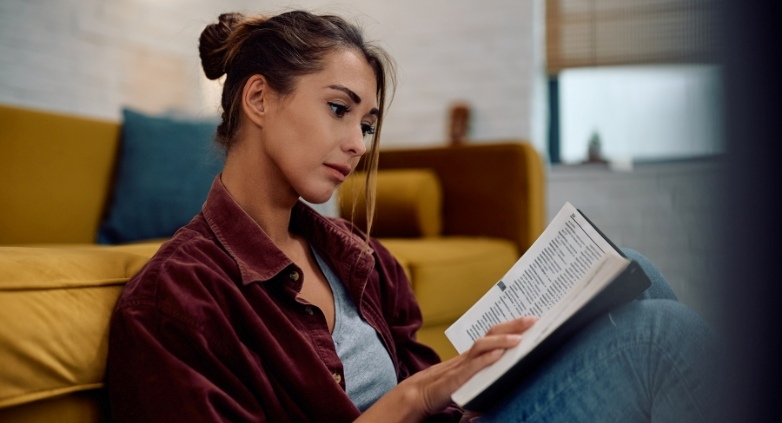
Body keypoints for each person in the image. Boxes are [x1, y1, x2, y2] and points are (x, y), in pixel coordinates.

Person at [107, 10, 721, 422]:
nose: (359, 143)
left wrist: (480, 374)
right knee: (655, 339)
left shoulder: (354, 256)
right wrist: (415, 396)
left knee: (631, 270)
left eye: (368, 124)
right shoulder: (176, 299)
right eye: (339, 109)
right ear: (260, 97)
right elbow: (416, 391)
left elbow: (428, 381)